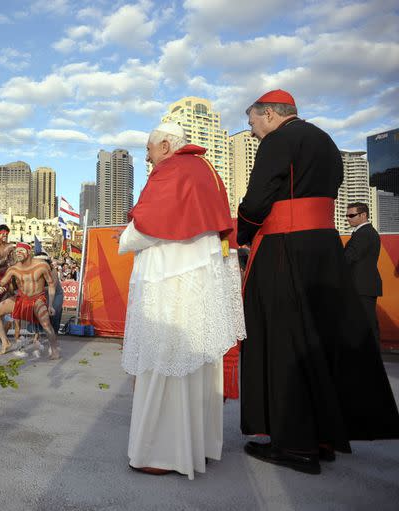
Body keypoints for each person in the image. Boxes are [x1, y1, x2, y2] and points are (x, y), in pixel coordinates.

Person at [238, 90, 399, 475]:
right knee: (318, 342)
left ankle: (295, 443)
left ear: (273, 114)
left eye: (253, 120)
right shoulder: (325, 140)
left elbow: (259, 198)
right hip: (323, 248)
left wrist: (242, 229)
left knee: (284, 340)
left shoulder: (279, 140)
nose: (252, 129)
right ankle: (323, 434)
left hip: (285, 248)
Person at [119, 123, 245, 479]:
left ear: (164, 144)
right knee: (194, 361)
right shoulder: (207, 171)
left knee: (166, 357)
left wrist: (124, 237)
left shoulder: (171, 169)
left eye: (148, 149)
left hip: (170, 281)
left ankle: (162, 453)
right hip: (197, 280)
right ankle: (196, 447)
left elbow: (146, 227)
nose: (147, 157)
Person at [0, 243, 59, 359]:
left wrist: (50, 305)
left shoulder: (42, 266)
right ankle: (5, 343)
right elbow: (0, 283)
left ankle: (54, 349)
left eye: (21, 251)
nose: (18, 253)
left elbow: (51, 285)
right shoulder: (13, 269)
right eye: (17, 252)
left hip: (37, 299)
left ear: (29, 252)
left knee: (46, 324)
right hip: (21, 298)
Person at [344, 202, 383, 350]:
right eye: (347, 215)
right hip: (362, 285)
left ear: (363, 215)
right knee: (364, 322)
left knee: (367, 322)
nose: (348, 218)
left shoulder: (364, 233)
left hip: (362, 286)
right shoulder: (364, 232)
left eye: (352, 215)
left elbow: (349, 257)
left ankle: (372, 355)